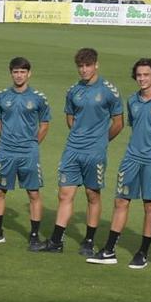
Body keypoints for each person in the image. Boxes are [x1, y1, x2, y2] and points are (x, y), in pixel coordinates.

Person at [46, 48, 123, 256]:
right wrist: (80, 136)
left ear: (96, 65)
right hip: (72, 149)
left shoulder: (109, 90)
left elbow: (118, 122)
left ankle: (89, 240)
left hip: (94, 152)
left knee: (92, 194)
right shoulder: (73, 91)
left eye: (88, 65)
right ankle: (56, 240)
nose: (84, 70)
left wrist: (101, 141)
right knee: (65, 193)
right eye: (80, 66)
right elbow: (70, 119)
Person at [97, 58, 151, 268]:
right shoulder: (132, 100)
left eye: (146, 74)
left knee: (149, 206)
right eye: (139, 75)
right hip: (131, 158)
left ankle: (143, 252)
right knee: (121, 201)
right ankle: (109, 250)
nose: (142, 79)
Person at [0, 56, 51, 247]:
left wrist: (32, 144)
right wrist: (8, 139)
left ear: (29, 74)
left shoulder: (39, 98)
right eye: (15, 72)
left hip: (28, 153)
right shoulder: (1, 97)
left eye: (23, 72)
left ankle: (34, 235)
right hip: (6, 151)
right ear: (11, 73)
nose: (19, 75)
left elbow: (44, 125)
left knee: (33, 193)